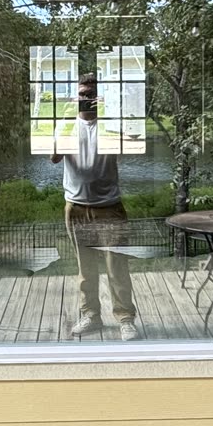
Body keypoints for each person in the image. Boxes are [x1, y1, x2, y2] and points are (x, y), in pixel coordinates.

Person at [58, 75, 138, 340]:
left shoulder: (112, 125)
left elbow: (135, 143)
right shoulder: (66, 126)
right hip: (77, 208)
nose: (87, 98)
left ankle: (125, 319)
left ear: (100, 98)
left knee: (117, 267)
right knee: (85, 269)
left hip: (109, 207)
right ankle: (91, 315)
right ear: (75, 97)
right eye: (82, 94)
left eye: (92, 94)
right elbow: (53, 157)